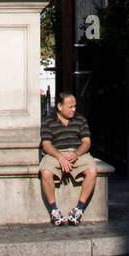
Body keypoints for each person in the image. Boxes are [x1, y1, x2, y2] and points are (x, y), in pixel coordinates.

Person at [39, 91, 97, 226]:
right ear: (59, 106)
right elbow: (46, 144)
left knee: (92, 170)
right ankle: (54, 210)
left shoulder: (80, 120)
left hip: (76, 152)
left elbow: (86, 142)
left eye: (74, 106)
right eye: (70, 107)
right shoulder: (48, 121)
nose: (73, 109)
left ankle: (79, 209)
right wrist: (60, 157)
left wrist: (76, 154)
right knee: (46, 172)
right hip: (55, 153)